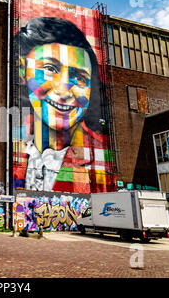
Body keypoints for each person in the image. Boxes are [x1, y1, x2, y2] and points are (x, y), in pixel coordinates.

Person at [12, 17, 115, 194]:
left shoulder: (99, 154)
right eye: (50, 69)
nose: (64, 90)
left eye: (81, 78)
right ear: (22, 72)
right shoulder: (11, 143)